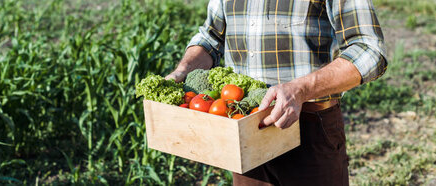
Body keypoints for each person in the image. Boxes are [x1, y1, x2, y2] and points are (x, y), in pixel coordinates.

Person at [165, 0, 387, 185]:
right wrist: (183, 71)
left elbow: (369, 50)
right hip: (243, 127)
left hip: (307, 127)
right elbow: (210, 37)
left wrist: (299, 90)